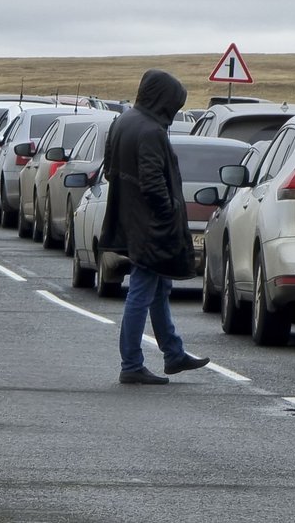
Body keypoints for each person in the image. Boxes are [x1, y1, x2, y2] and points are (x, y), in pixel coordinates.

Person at [100, 69, 210, 385]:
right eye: (173, 104)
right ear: (163, 100)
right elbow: (152, 182)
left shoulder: (123, 121)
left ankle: (173, 353)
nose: (174, 112)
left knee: (159, 288)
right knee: (142, 290)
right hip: (150, 225)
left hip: (131, 219)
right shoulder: (150, 131)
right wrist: (169, 211)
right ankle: (131, 363)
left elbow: (110, 170)